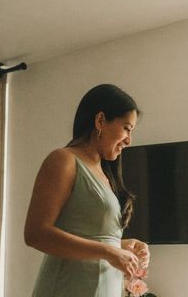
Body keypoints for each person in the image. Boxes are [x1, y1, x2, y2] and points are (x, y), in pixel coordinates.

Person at [25, 84, 150, 297]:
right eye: (127, 128)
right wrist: (108, 251)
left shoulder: (104, 174)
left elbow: (89, 236)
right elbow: (36, 234)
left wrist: (122, 246)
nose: (129, 140)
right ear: (100, 120)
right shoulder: (64, 160)